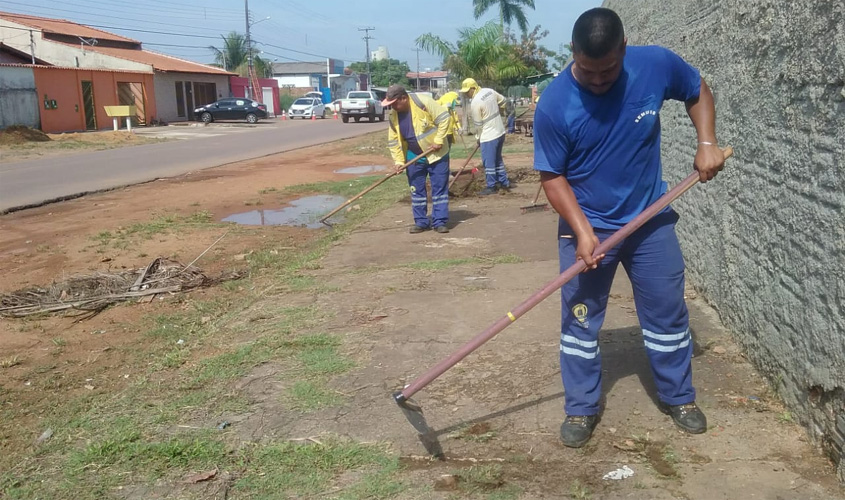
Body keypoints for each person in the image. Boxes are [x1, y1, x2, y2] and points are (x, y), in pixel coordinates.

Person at [533, 8, 726, 448]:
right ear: (573, 54)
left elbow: (696, 89)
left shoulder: (654, 63)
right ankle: (581, 407)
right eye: (587, 70)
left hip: (649, 218)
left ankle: (679, 397)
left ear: (624, 48)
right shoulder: (555, 103)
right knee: (580, 320)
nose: (599, 80)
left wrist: (707, 142)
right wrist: (582, 231)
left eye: (608, 70)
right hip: (588, 224)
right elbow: (551, 176)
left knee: (667, 313)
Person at [383, 84, 452, 234]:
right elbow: (394, 141)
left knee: (439, 189)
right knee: (416, 190)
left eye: (394, 103)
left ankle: (439, 221)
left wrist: (439, 140)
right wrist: (399, 162)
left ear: (403, 98)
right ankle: (421, 222)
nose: (392, 107)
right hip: (414, 157)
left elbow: (444, 118)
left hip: (437, 154)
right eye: (390, 105)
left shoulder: (423, 102)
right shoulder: (393, 116)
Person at [460, 78, 512, 195]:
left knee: (488, 162)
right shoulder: (489, 91)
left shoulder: (475, 102)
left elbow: (478, 125)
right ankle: (504, 182)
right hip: (500, 132)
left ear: (473, 88)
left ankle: (491, 186)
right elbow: (504, 101)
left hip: (489, 136)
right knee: (498, 160)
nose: (466, 94)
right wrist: (503, 112)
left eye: (467, 91)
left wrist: (479, 138)